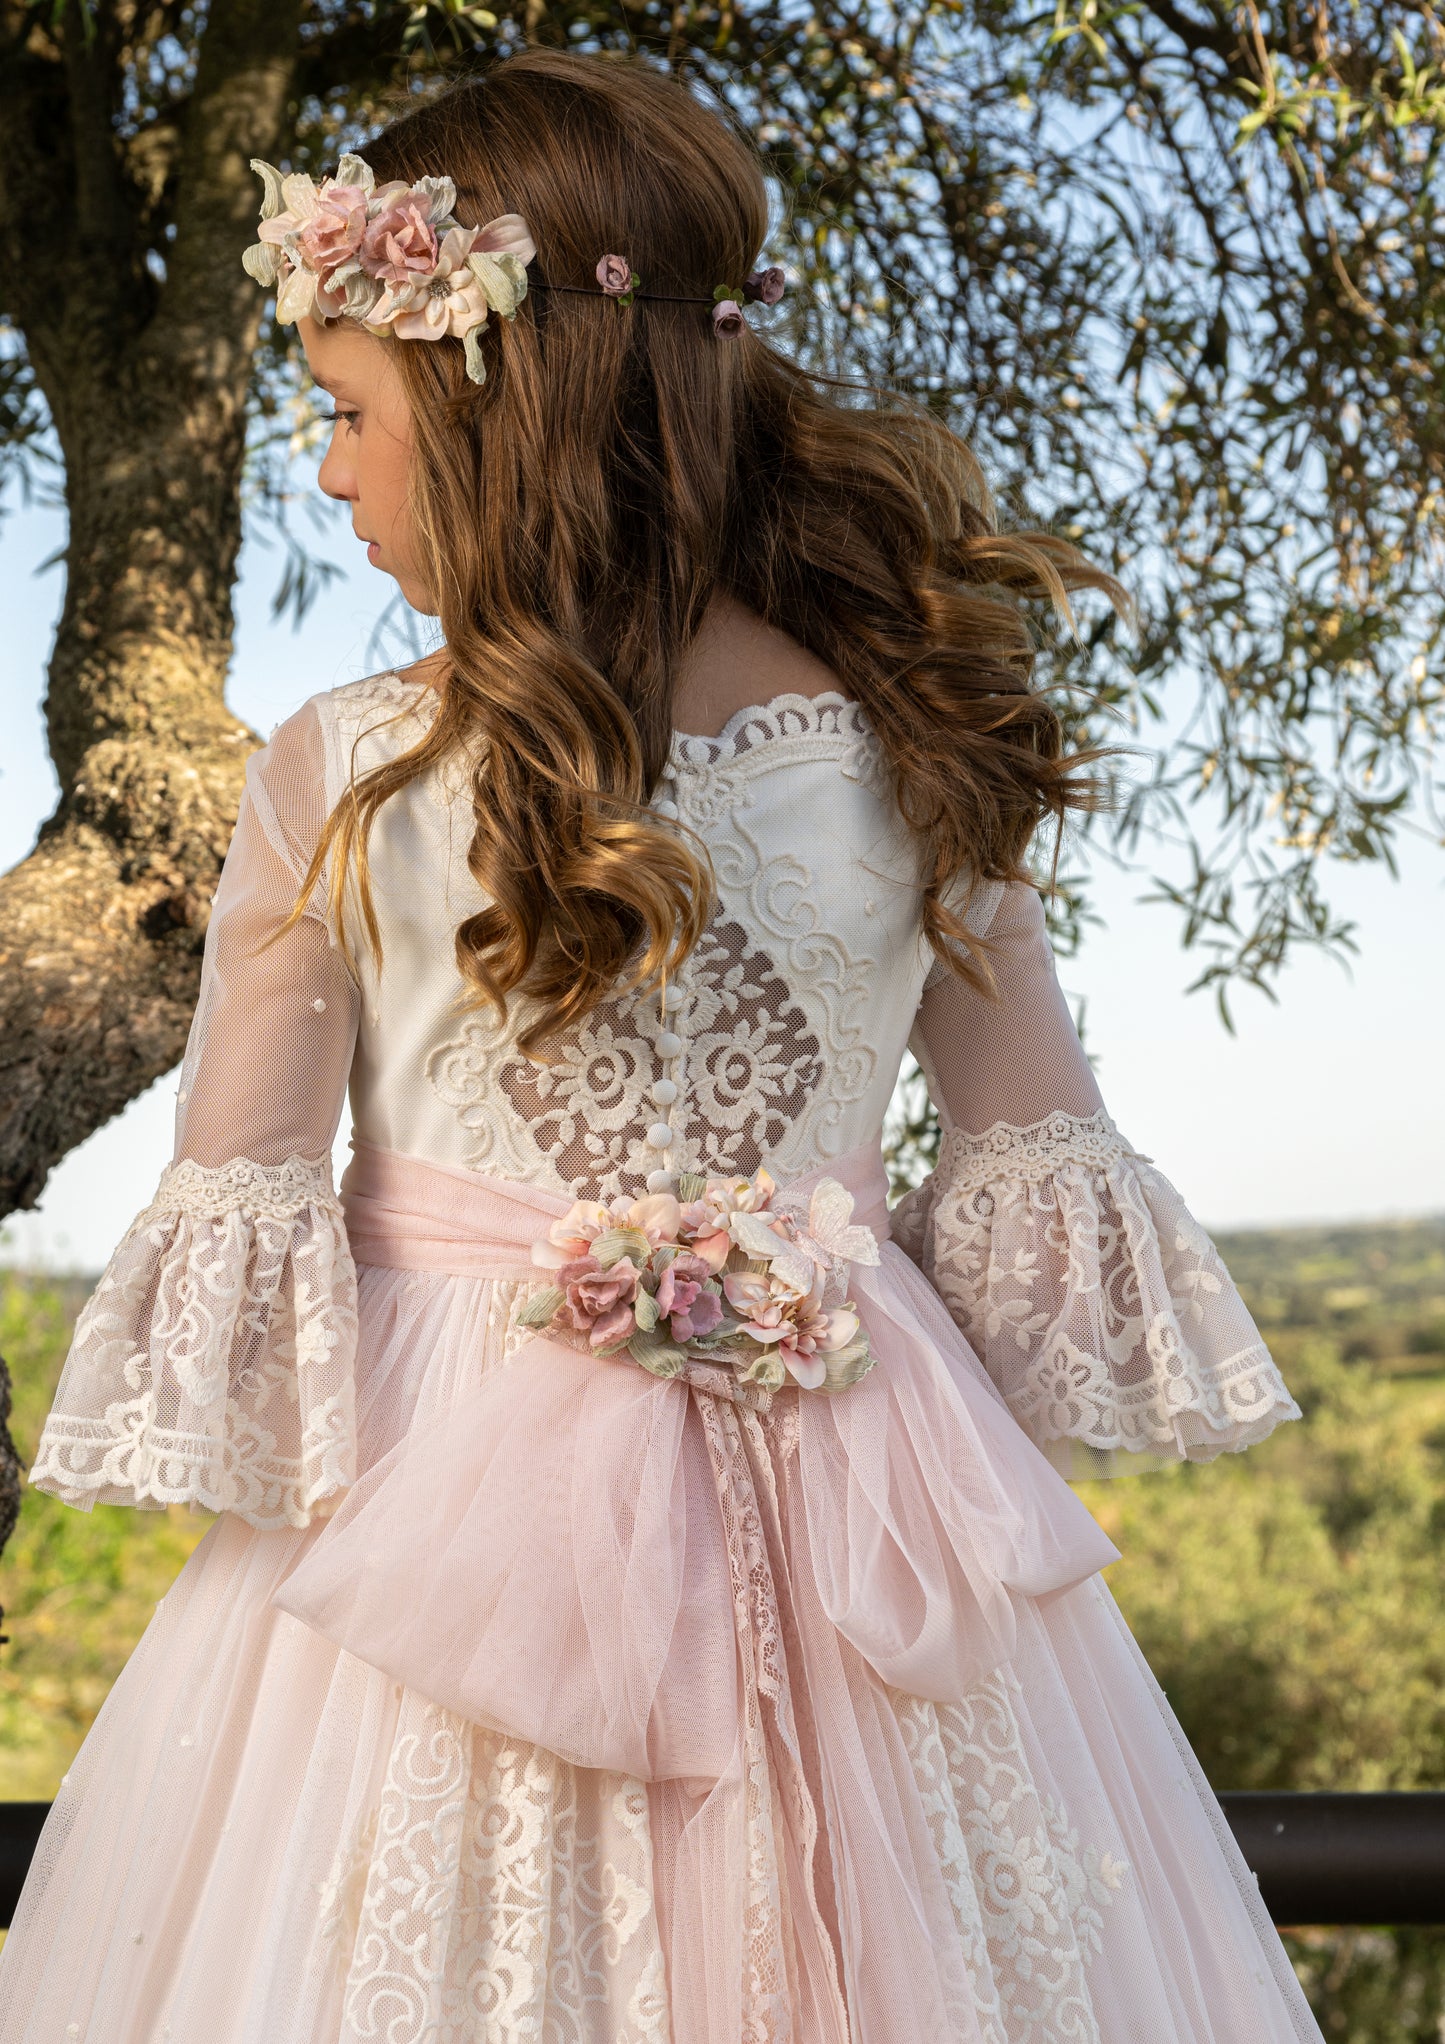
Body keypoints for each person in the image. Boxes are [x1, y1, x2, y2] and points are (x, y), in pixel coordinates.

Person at [0, 47, 1323, 2044]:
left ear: (489, 400)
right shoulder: (917, 744)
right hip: (861, 1512)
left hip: (438, 1558)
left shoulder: (348, 767)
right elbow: (1035, 1187)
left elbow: (246, 1266)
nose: (329, 473)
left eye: (348, 412)